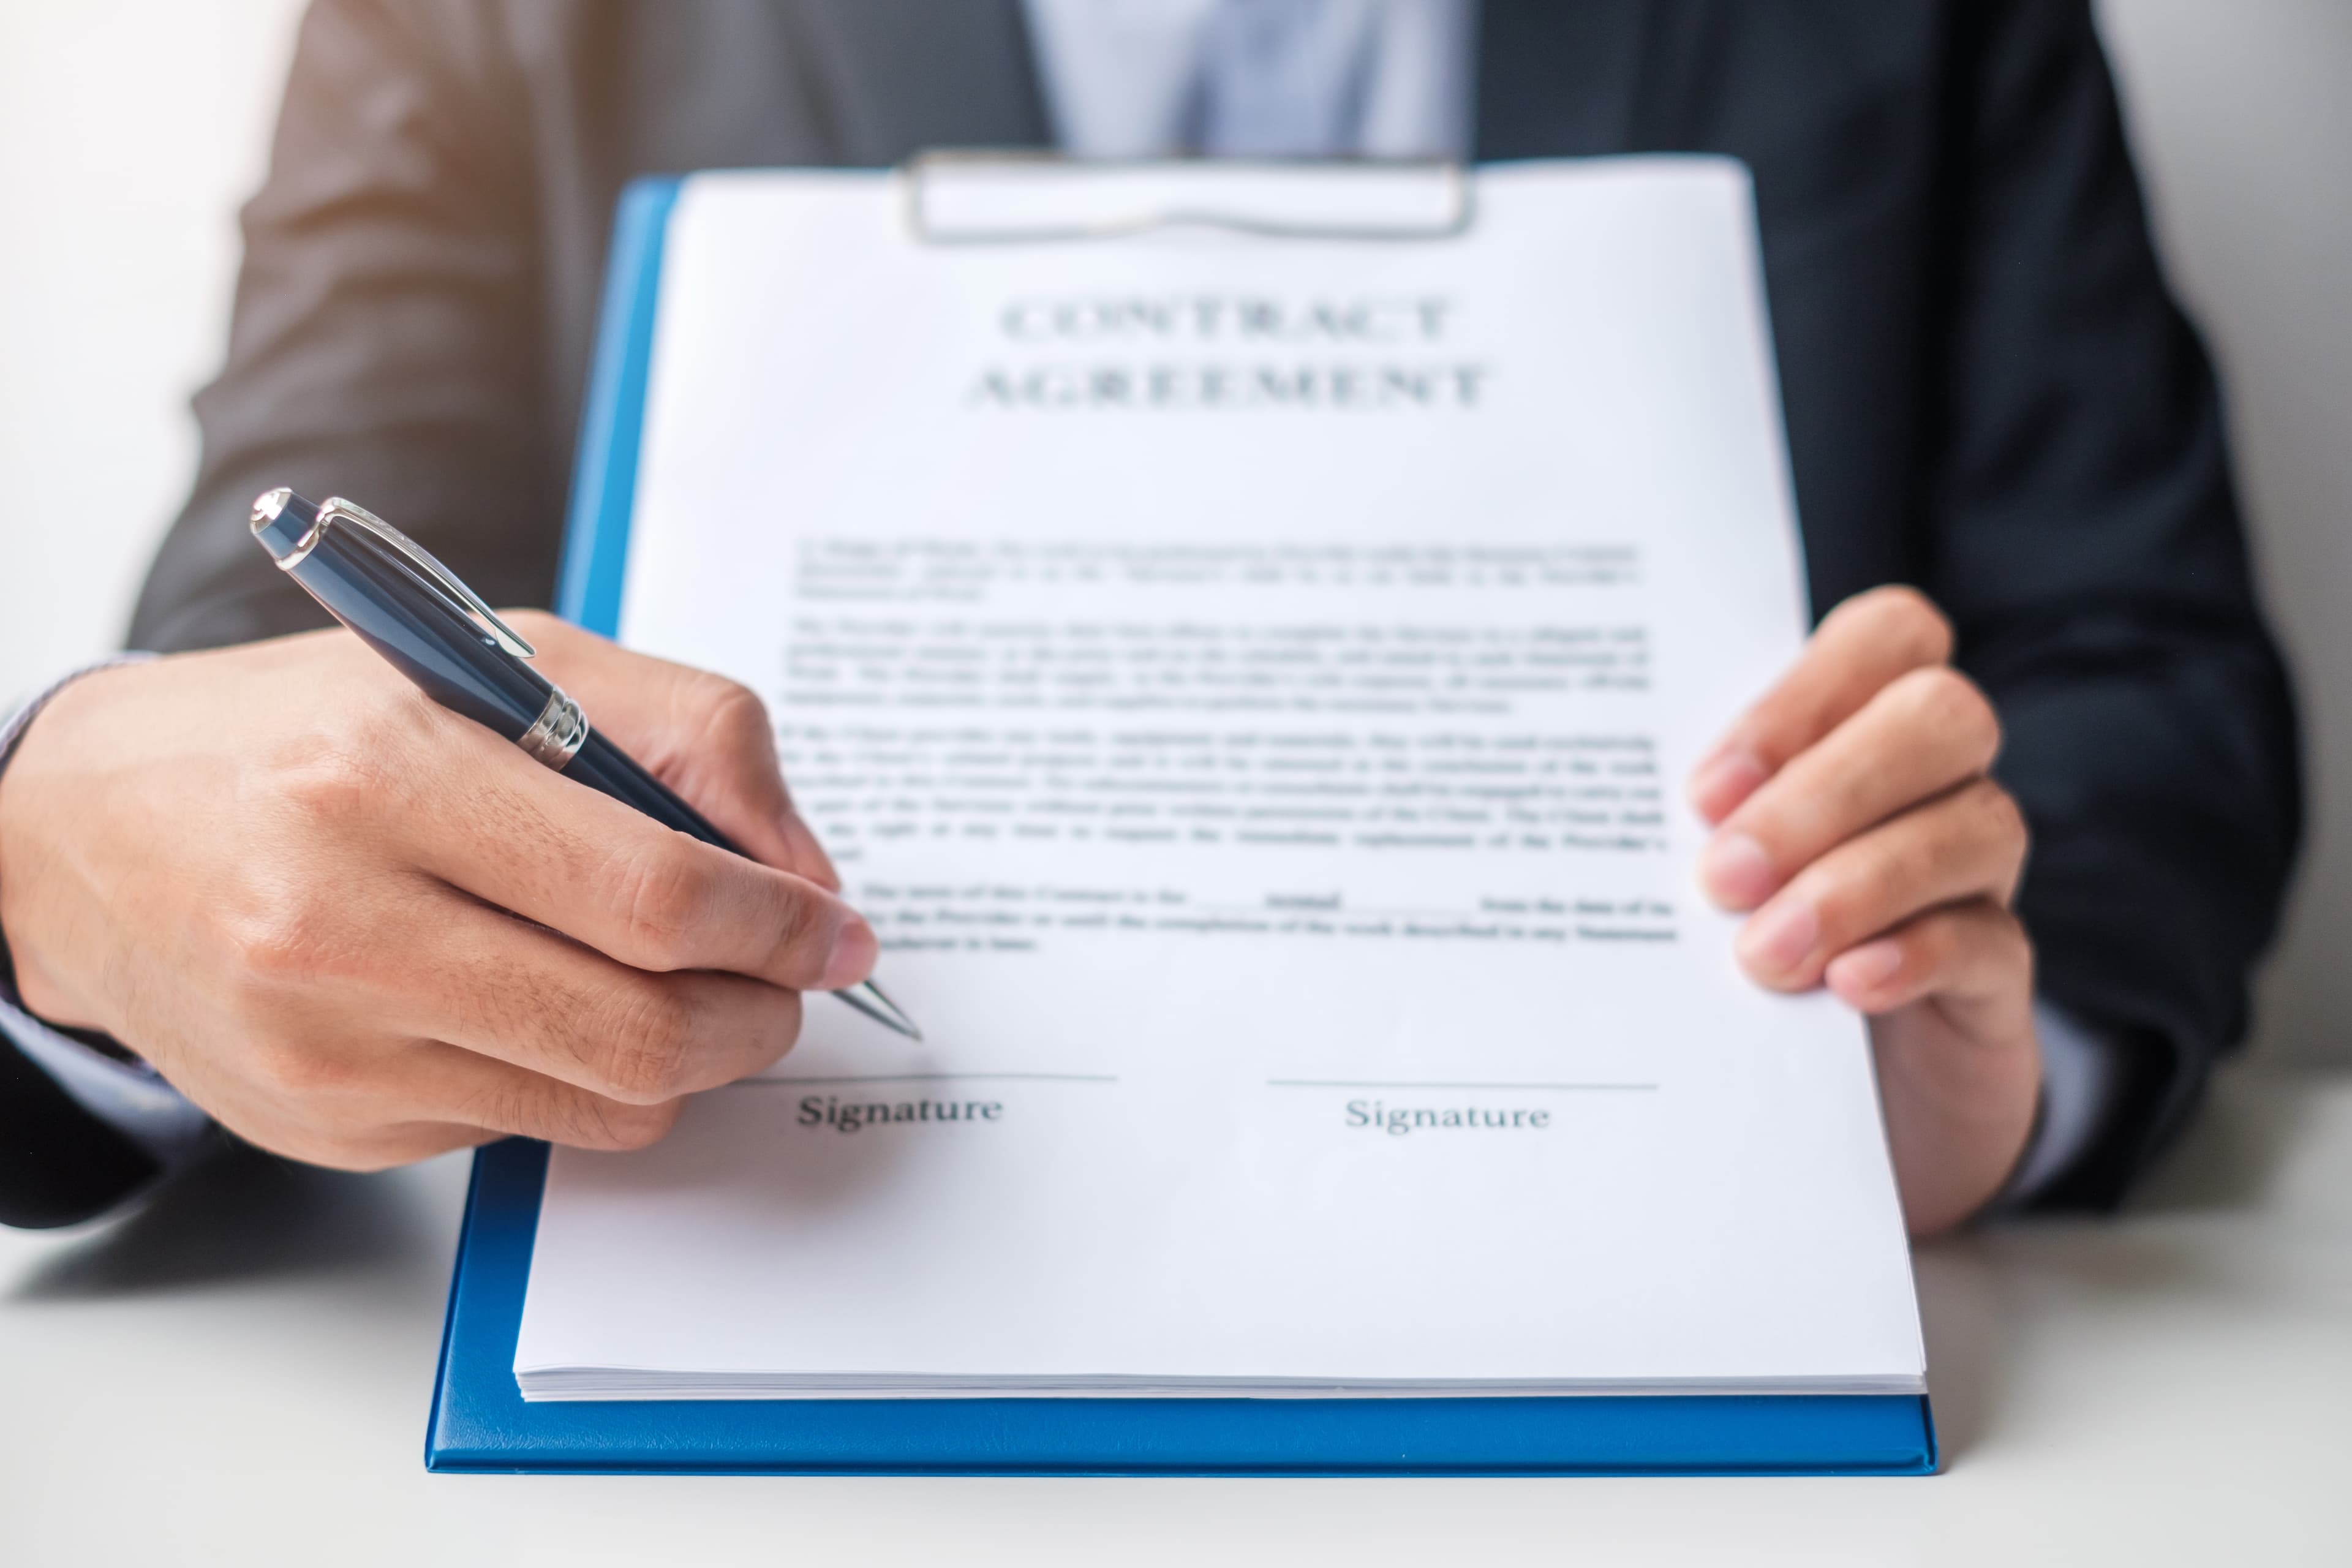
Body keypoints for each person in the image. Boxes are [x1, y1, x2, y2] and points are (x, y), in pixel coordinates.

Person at [0, 0, 2299, 1235]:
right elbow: (269, 687)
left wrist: (1979, 1092)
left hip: (1695, 1278)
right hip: (756, 1260)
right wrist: (62, 881)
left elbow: (2145, 675)